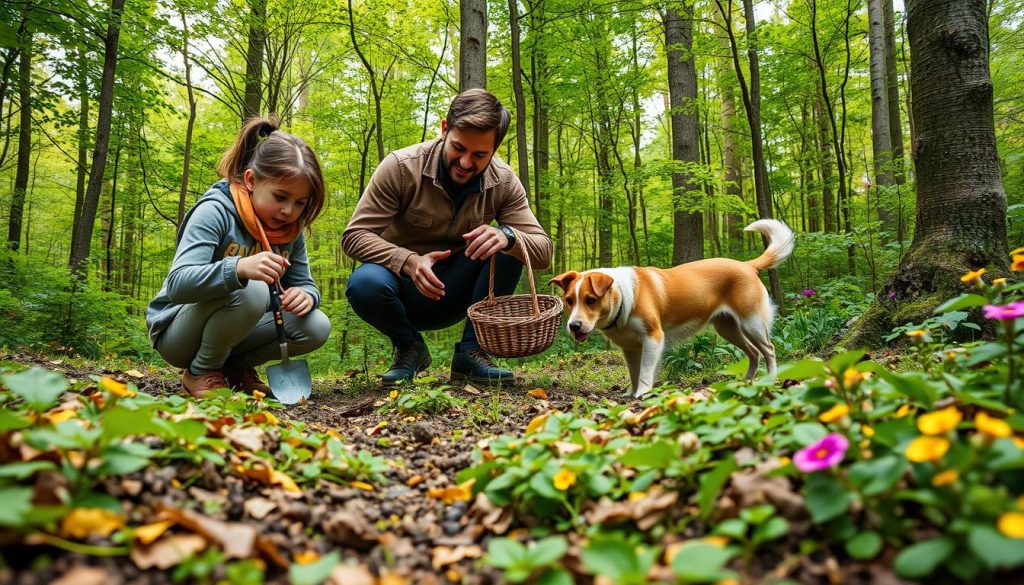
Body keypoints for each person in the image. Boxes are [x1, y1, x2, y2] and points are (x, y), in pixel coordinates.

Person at [343, 88, 552, 386]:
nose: (466, 162)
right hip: (401, 289)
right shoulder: (401, 168)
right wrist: (409, 261)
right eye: (458, 148)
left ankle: (471, 352)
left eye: (480, 154)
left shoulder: (504, 181)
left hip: (462, 292)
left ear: (494, 150)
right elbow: (354, 236)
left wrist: (507, 236)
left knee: (509, 243)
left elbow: (543, 251)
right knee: (364, 283)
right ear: (444, 129)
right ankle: (409, 348)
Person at [146, 117, 332, 398]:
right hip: (177, 333)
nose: (288, 211)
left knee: (316, 326)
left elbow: (305, 283)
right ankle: (200, 373)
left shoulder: (290, 232)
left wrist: (306, 296)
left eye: (300, 203)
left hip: (236, 331)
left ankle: (233, 369)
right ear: (251, 181)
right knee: (253, 288)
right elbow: (178, 284)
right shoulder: (216, 210)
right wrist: (240, 268)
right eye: (280, 197)